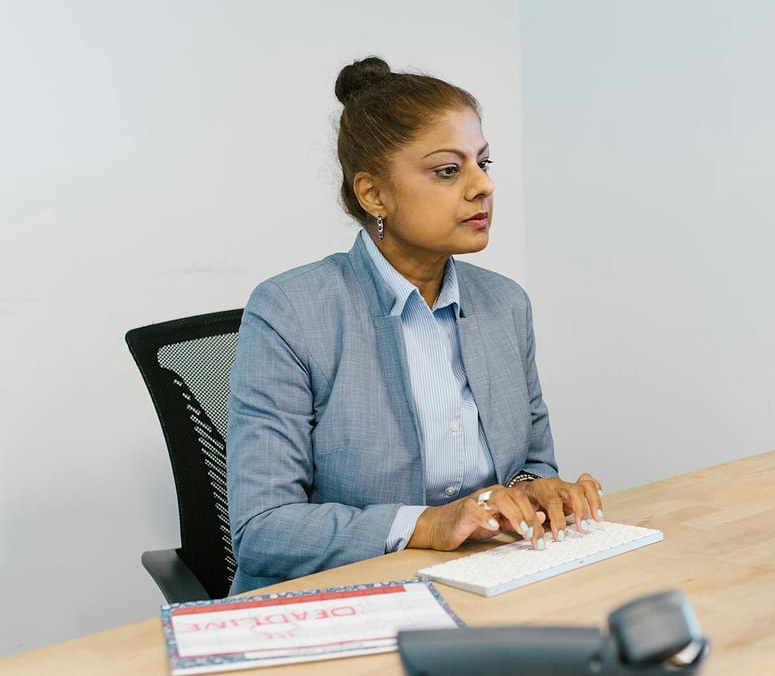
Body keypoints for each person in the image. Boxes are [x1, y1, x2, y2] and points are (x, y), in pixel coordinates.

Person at [226, 56, 603, 594]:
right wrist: (430, 523)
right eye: (448, 170)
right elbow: (263, 529)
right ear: (374, 194)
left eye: (484, 163)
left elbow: (531, 460)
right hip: (344, 601)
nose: (482, 187)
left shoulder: (505, 305)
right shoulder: (291, 311)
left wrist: (534, 490)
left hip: (482, 583)